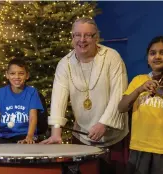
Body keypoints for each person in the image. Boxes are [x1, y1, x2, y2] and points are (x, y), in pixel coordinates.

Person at [40, 17, 129, 173]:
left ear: (96, 38)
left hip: (113, 136)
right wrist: (56, 133)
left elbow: (119, 94)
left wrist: (104, 123)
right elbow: (58, 99)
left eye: (88, 35)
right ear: (72, 37)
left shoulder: (112, 57)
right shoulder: (64, 63)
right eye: (77, 35)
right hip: (82, 135)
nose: (82, 40)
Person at [118, 36, 163, 174]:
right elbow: (121, 107)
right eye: (152, 53)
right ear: (147, 58)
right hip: (139, 146)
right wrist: (139, 89)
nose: (157, 56)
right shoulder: (138, 80)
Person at [0, 57, 44, 144]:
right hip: (3, 136)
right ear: (7, 75)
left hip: (25, 135)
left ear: (27, 75)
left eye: (21, 73)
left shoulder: (32, 92)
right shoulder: (1, 93)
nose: (17, 77)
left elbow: (33, 117)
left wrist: (29, 136)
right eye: (12, 73)